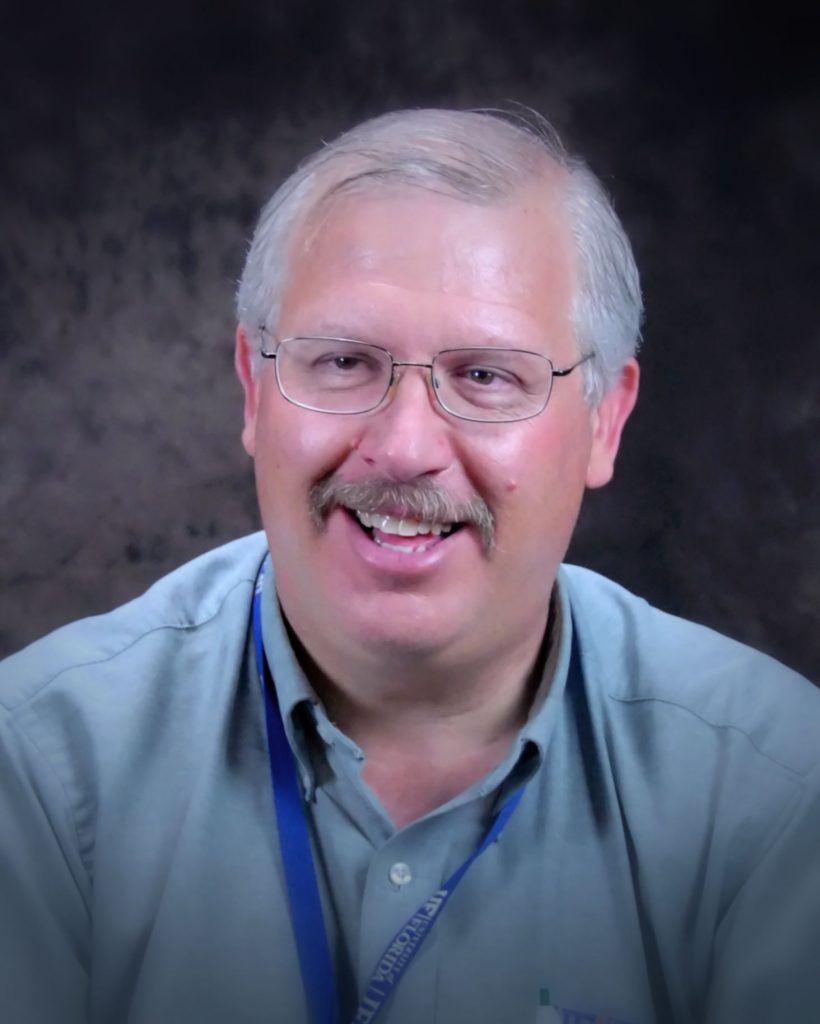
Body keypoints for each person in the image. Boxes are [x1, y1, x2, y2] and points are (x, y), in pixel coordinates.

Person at [1, 108, 818, 1024]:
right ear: (253, 387)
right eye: (345, 361)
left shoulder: (780, 792)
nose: (403, 447)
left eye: (485, 376)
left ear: (604, 420)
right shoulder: (35, 768)